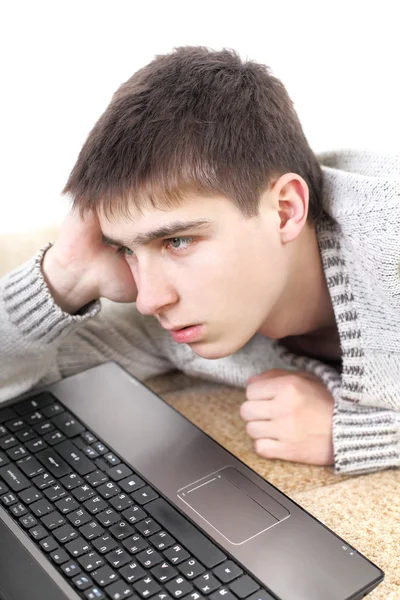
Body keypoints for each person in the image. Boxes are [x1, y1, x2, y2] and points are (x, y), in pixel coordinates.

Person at [1, 46, 399, 476]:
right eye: (128, 250)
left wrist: (357, 433)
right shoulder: (171, 318)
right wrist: (63, 279)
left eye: (178, 241)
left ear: (285, 210)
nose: (150, 299)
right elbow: (26, 380)